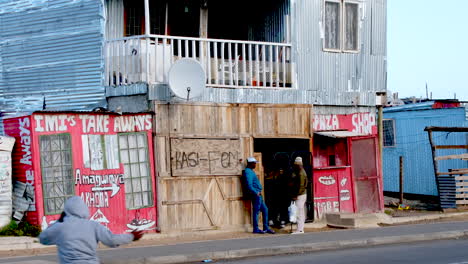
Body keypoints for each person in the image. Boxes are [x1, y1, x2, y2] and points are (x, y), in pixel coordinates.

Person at [39, 196, 143, 264]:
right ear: (84, 209)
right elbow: (111, 240)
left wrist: (59, 221)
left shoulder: (60, 227)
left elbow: (43, 239)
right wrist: (131, 236)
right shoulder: (93, 226)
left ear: (66, 210)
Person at [244, 157, 275, 234]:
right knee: (256, 212)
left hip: (258, 194)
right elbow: (249, 184)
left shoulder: (250, 171)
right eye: (254, 163)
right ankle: (256, 229)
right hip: (256, 195)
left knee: (265, 210)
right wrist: (255, 192)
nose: (255, 164)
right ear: (250, 163)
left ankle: (266, 227)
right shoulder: (248, 172)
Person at [290, 157, 308, 234]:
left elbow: (301, 186)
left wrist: (295, 195)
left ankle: (300, 230)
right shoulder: (301, 172)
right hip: (302, 194)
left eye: (296, 165)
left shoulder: (301, 173)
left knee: (299, 212)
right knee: (301, 212)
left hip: (300, 195)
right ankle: (300, 228)